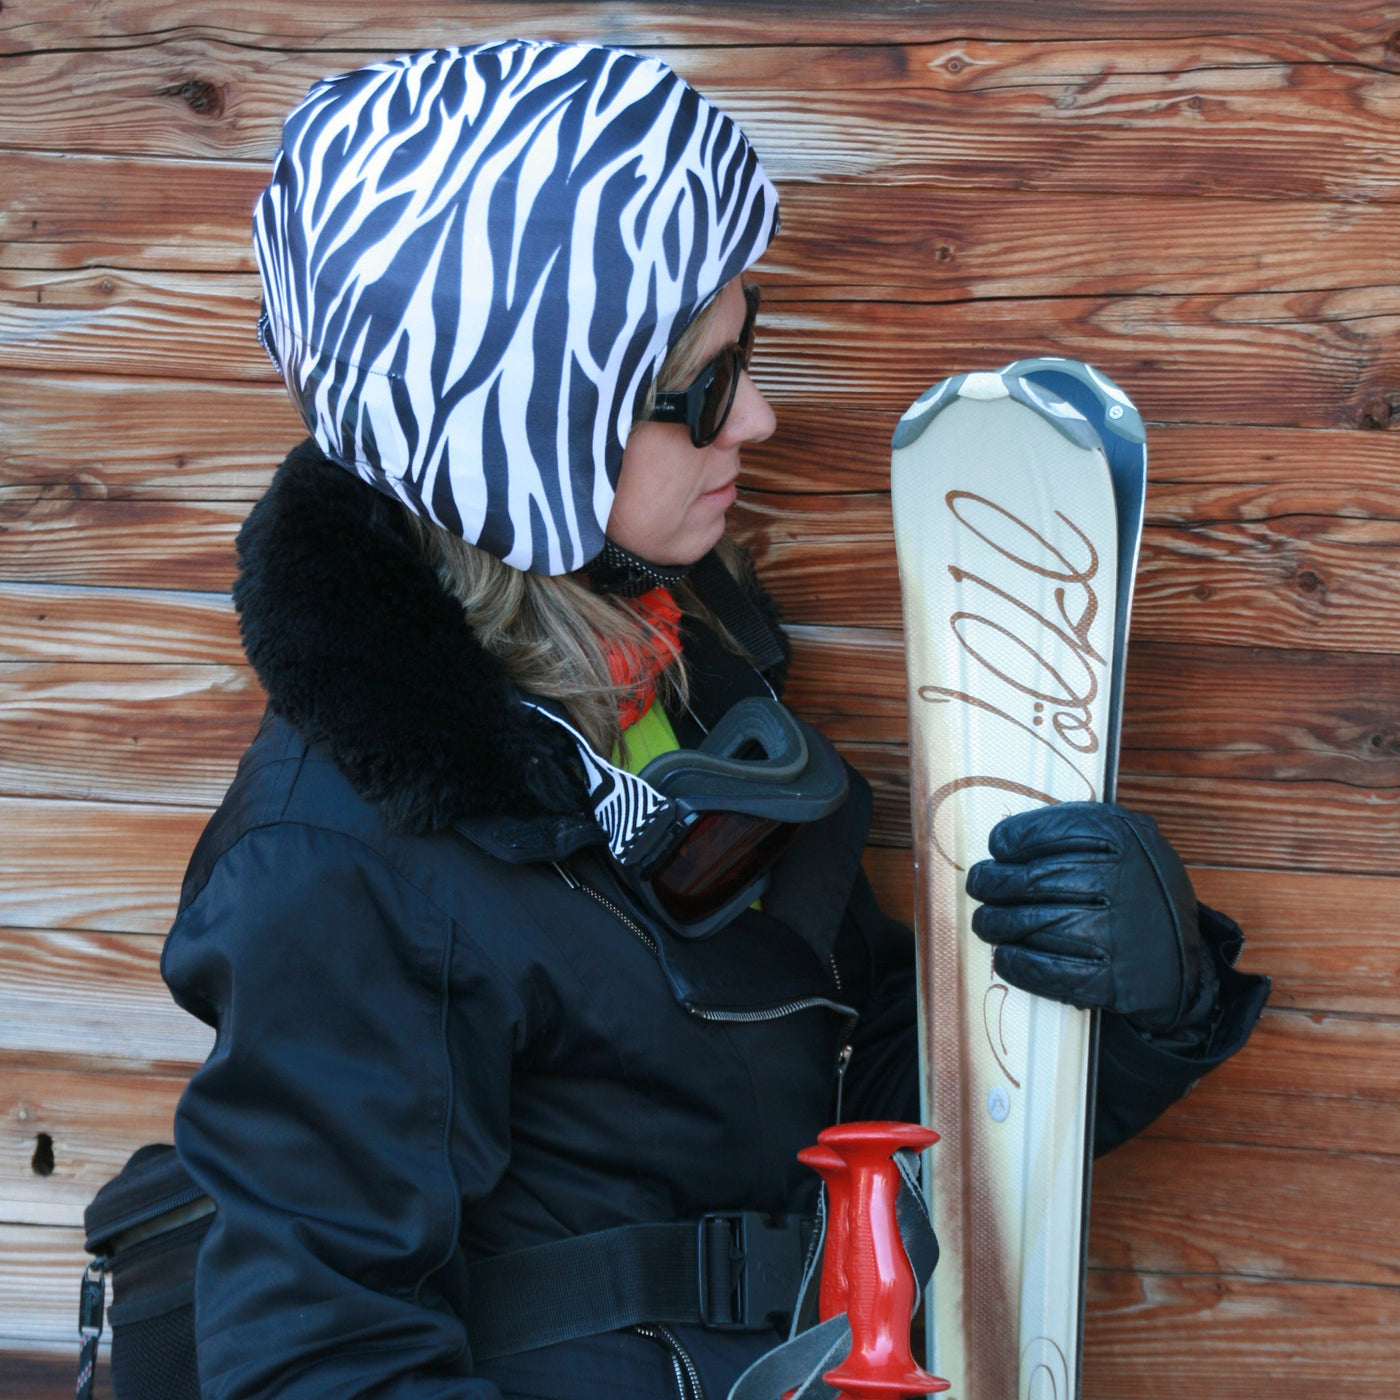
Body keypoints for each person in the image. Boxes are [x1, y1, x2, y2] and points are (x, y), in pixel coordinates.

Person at [160, 40, 1270, 1400]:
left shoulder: (679, 694)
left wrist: (1123, 997)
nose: (758, 413)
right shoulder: (337, 866)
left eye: (742, 350)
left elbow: (872, 1104)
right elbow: (315, 1362)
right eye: (694, 385)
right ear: (517, 422)